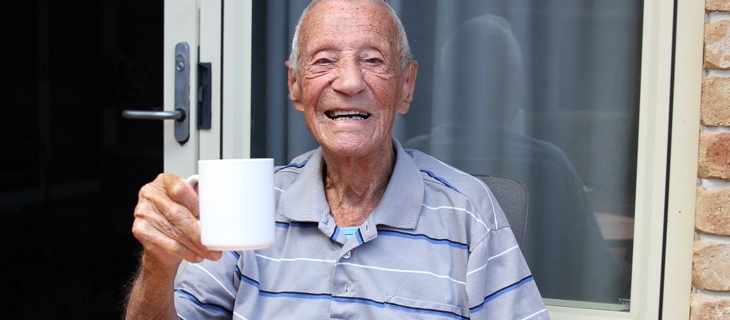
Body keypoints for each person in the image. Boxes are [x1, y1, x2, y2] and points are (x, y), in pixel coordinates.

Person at [124, 0, 548, 319]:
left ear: (406, 86)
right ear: (295, 86)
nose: (349, 82)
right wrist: (158, 266)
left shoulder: (468, 211)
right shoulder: (252, 206)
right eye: (324, 61)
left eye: (373, 60)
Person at [404, 14, 629, 303]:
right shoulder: (550, 164)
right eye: (516, 77)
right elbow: (599, 274)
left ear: (448, 87)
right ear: (513, 84)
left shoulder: (413, 161)